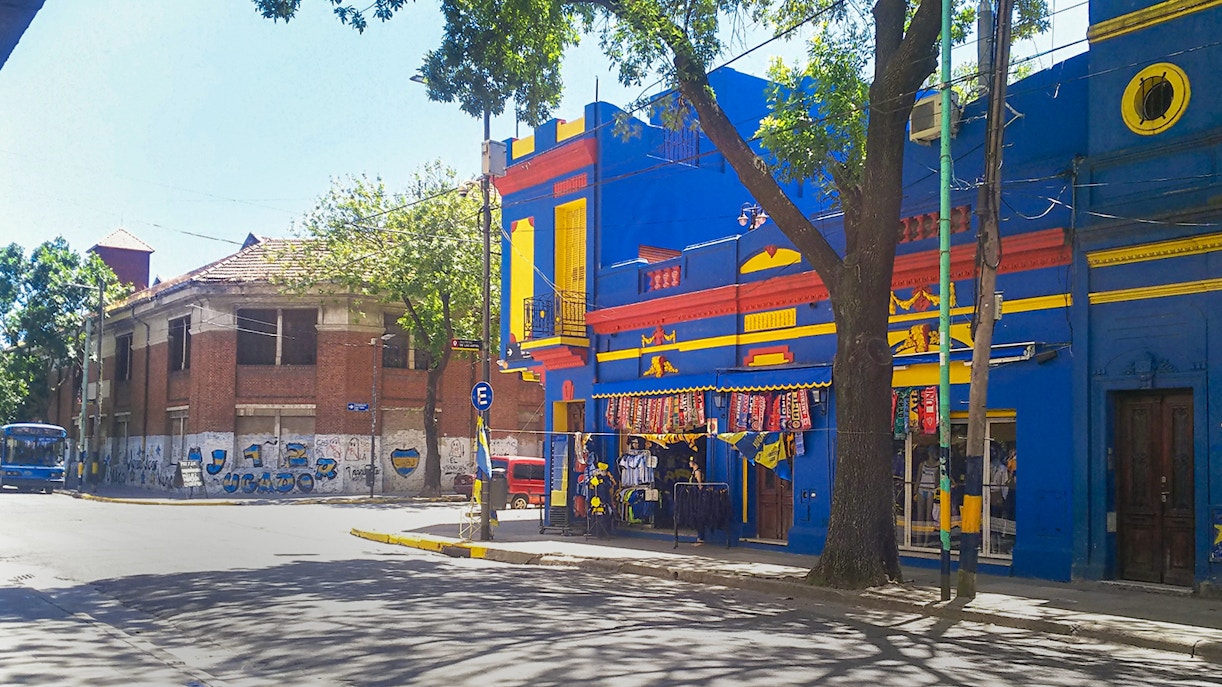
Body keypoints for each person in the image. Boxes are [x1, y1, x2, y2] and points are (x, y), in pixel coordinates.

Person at [688, 457, 706, 545]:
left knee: (699, 516)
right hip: (693, 495)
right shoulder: (693, 472)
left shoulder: (697, 472)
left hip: (697, 496)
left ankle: (701, 538)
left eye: (690, 462)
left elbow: (700, 485)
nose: (689, 463)